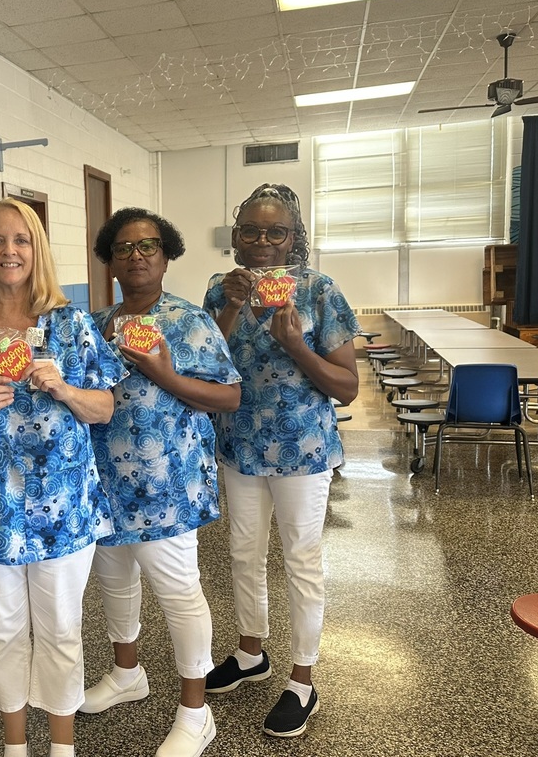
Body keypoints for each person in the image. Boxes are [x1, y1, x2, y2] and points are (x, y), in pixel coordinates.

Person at [0, 198, 126, 757]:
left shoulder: (72, 325)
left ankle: (62, 747)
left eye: (21, 240)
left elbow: (106, 409)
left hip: (62, 509)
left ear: (37, 249)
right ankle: (15, 746)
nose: (9, 251)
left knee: (61, 632)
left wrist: (65, 390)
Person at [201, 183, 360, 738]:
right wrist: (233, 306)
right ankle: (251, 653)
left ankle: (302, 679)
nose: (263, 241)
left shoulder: (319, 292)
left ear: (294, 239)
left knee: (300, 559)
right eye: (251, 231)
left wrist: (296, 345)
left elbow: (347, 388)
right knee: (243, 554)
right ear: (236, 238)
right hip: (240, 446)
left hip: (303, 451)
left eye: (276, 232)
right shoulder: (219, 290)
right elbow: (205, 365)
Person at [82, 208, 241, 757]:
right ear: (110, 260)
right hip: (104, 483)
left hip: (166, 485)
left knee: (177, 591)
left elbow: (230, 396)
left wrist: (166, 375)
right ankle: (128, 674)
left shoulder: (190, 321)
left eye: (148, 245)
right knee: (115, 582)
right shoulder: (96, 323)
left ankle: (196, 712)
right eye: (124, 247)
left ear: (167, 254)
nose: (137, 255)